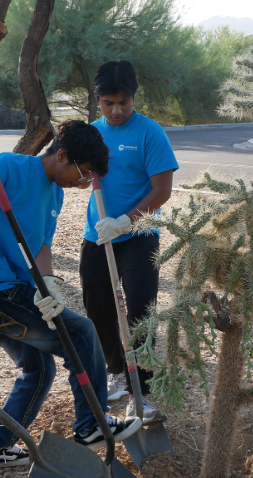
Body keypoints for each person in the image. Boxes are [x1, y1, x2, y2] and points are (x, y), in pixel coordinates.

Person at [0, 120, 142, 470]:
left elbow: (42, 245)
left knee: (38, 369)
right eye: (85, 173)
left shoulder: (56, 192)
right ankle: (91, 423)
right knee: (81, 333)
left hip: (15, 290)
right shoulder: (7, 166)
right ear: (63, 155)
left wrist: (49, 284)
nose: (85, 184)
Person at [79, 60, 179, 425]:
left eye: (123, 102)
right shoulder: (92, 133)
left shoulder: (150, 133)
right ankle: (118, 370)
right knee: (98, 304)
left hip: (139, 234)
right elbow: (73, 176)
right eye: (108, 103)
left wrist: (125, 222)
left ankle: (144, 391)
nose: (117, 110)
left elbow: (162, 190)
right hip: (98, 233)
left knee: (139, 307)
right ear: (98, 100)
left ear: (134, 98)